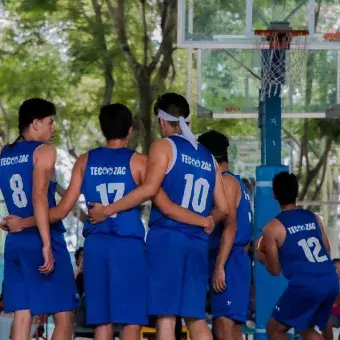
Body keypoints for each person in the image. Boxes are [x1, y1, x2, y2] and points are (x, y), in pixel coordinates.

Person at [6, 102, 215, 340]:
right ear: (129, 130)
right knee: (131, 323)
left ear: (103, 129)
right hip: (128, 247)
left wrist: (23, 222)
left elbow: (61, 210)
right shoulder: (140, 162)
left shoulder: (85, 161)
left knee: (102, 323)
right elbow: (164, 204)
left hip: (96, 247)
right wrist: (202, 220)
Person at [88, 93, 232, 340]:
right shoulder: (207, 156)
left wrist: (107, 210)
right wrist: (206, 221)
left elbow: (149, 190)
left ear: (162, 121)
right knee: (196, 318)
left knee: (166, 316)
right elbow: (224, 208)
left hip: (168, 239)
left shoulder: (164, 146)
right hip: (197, 242)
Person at [0, 98, 78, 340]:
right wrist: (46, 244)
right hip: (43, 237)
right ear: (35, 123)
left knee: (22, 315)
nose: (52, 128)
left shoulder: (4, 153)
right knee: (65, 316)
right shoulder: (43, 151)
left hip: (14, 242)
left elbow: (44, 190)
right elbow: (39, 197)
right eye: (50, 122)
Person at [256, 171, 339, 340]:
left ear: (274, 194)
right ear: (297, 193)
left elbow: (274, 270)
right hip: (330, 280)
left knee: (274, 329)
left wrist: (260, 255)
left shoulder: (272, 228)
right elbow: (327, 251)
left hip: (306, 285)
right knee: (305, 327)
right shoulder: (314, 218)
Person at [198, 130, 252, 340]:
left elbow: (231, 227)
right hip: (232, 257)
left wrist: (221, 266)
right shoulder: (235, 182)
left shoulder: (226, 182)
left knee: (224, 325)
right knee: (231, 326)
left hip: (229, 259)